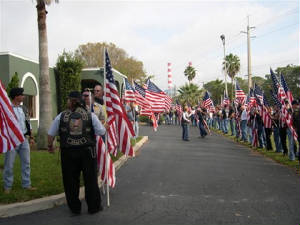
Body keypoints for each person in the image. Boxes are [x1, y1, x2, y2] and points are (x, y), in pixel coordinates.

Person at [48, 91, 107, 215]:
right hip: (87, 153)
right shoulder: (91, 116)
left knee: (70, 181)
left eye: (68, 100)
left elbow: (51, 134)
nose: (67, 102)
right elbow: (101, 132)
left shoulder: (61, 116)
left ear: (72, 101)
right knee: (90, 180)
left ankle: (75, 208)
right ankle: (93, 207)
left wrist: (50, 146)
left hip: (68, 153)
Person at [3, 88, 36, 194]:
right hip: (12, 141)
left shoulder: (24, 108)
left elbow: (28, 122)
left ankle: (26, 184)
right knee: (9, 164)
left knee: (26, 163)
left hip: (23, 139)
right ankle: (7, 186)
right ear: (16, 96)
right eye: (21, 95)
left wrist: (31, 137)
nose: (23, 96)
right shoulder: (7, 109)